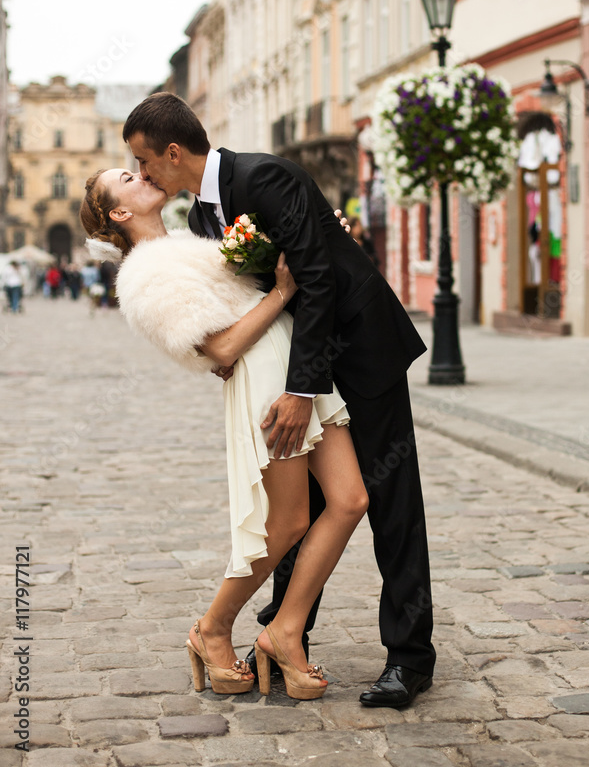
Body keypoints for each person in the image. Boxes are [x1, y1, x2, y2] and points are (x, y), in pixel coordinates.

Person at [121, 92, 435, 708]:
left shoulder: (263, 175)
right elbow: (249, 299)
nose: (145, 173)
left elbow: (315, 280)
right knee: (306, 508)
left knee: (391, 506)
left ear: (174, 152)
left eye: (144, 161)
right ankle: (286, 632)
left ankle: (409, 659)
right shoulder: (202, 221)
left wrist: (300, 390)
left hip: (359, 356)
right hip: (298, 369)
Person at [80, 168, 369, 700]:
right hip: (264, 378)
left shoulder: (188, 241)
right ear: (120, 213)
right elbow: (222, 349)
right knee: (287, 524)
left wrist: (320, 237)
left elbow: (252, 284)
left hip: (298, 367)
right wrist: (283, 290)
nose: (141, 173)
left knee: (350, 500)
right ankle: (213, 628)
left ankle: (283, 630)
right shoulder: (143, 277)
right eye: (127, 176)